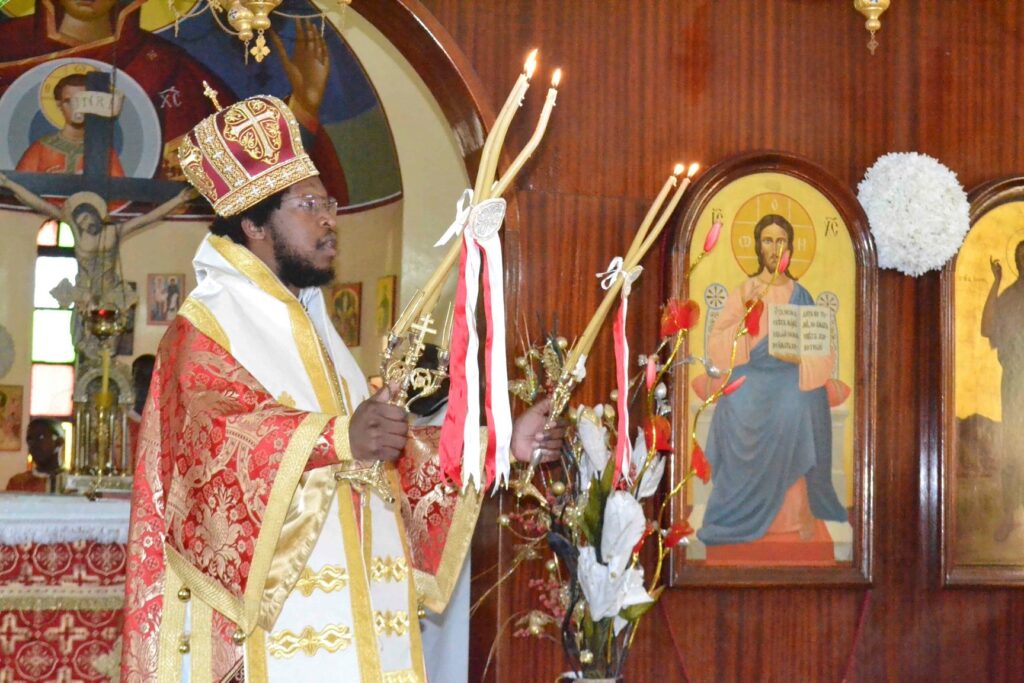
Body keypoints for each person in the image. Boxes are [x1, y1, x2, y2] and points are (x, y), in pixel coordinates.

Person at [120, 94, 563, 682]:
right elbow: (216, 442)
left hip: (365, 627)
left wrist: (500, 444)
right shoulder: (207, 326)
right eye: (308, 206)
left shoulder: (314, 326)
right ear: (253, 224)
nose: (330, 218)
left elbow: (381, 465)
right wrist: (337, 435)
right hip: (274, 637)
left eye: (328, 202)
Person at [698, 214, 847, 546]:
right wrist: (747, 337)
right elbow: (717, 342)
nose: (774, 247)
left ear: (790, 248)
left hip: (792, 375)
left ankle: (799, 514)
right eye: (768, 239)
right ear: (757, 245)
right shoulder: (746, 291)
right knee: (736, 400)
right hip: (751, 371)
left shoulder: (801, 295)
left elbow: (823, 352)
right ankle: (735, 510)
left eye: (781, 240)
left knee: (800, 403)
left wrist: (801, 359)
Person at [981, 241, 1024, 541]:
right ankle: (1010, 515)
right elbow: (987, 328)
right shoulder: (1008, 298)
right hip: (1014, 381)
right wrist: (995, 283)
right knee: (1012, 446)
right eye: (1020, 258)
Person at [15, 71, 126, 176]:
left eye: (82, 101)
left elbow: (120, 193)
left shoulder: (104, 153)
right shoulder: (40, 149)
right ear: (59, 105)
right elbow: (17, 188)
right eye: (69, 101)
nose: (76, 108)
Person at [6, 418, 65, 493]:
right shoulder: (17, 483)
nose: (34, 444)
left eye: (40, 438)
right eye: (30, 440)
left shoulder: (71, 484)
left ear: (59, 442)